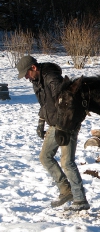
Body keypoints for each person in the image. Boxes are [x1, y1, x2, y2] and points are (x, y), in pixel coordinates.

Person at [16, 55, 90, 211]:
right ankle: (65, 190)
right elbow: (45, 104)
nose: (26, 78)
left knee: (67, 162)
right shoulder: (37, 81)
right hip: (53, 123)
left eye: (26, 74)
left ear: (33, 68)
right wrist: (41, 122)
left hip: (66, 125)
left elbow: (62, 101)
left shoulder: (52, 78)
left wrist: (66, 126)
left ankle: (80, 200)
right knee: (45, 157)